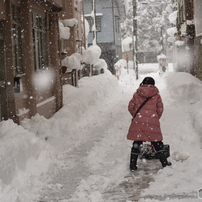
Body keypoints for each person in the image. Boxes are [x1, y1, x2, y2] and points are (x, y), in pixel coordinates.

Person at [127, 77, 171, 171]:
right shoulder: (156, 95)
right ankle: (164, 163)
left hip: (138, 121)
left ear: (142, 83)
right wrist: (154, 117)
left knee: (137, 142)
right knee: (157, 142)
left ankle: (132, 165)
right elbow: (160, 109)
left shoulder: (137, 94)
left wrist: (137, 115)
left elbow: (130, 106)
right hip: (152, 121)